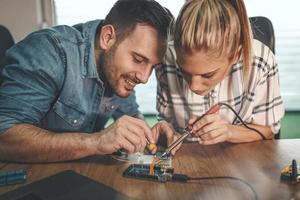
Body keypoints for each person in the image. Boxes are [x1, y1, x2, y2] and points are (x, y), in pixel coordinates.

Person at [0, 0, 177, 163]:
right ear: (107, 37)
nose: (144, 78)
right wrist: (97, 142)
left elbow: (130, 114)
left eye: (153, 66)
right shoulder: (50, 52)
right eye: (138, 59)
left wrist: (149, 135)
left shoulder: (118, 71)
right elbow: (4, 137)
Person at [156, 0, 284, 145]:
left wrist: (229, 132)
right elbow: (166, 124)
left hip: (240, 160)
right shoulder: (166, 58)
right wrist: (167, 132)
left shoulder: (261, 61)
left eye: (207, 75)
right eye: (183, 70)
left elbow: (268, 131)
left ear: (236, 54)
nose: (194, 86)